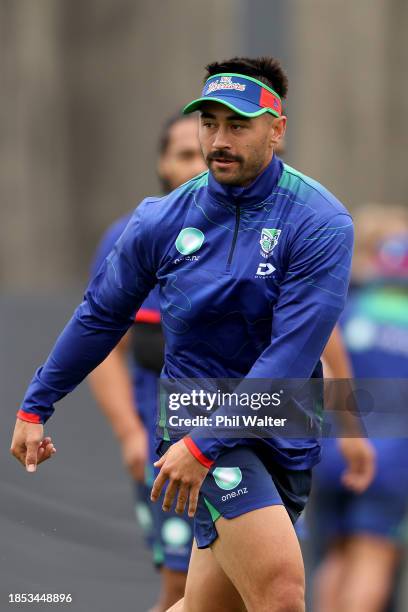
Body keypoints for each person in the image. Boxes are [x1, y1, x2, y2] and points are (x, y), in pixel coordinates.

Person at [11, 56, 374, 612]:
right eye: (209, 123)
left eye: (237, 125)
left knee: (204, 605)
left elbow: (295, 353)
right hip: (195, 418)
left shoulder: (320, 221)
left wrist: (350, 428)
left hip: (284, 420)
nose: (218, 140)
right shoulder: (161, 219)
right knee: (280, 592)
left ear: (277, 129)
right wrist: (37, 405)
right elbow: (100, 316)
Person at [88, 113, 206, 612]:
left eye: (209, 150)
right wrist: (130, 434)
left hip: (254, 442)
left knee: (267, 588)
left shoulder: (278, 230)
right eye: (185, 153)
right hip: (170, 451)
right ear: (162, 163)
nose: (200, 164)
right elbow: (100, 348)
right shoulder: (133, 237)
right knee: (184, 589)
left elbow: (312, 335)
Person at [311, 204, 408, 612]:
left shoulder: (341, 311)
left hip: (331, 450)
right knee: (372, 557)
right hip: (391, 459)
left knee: (335, 556)